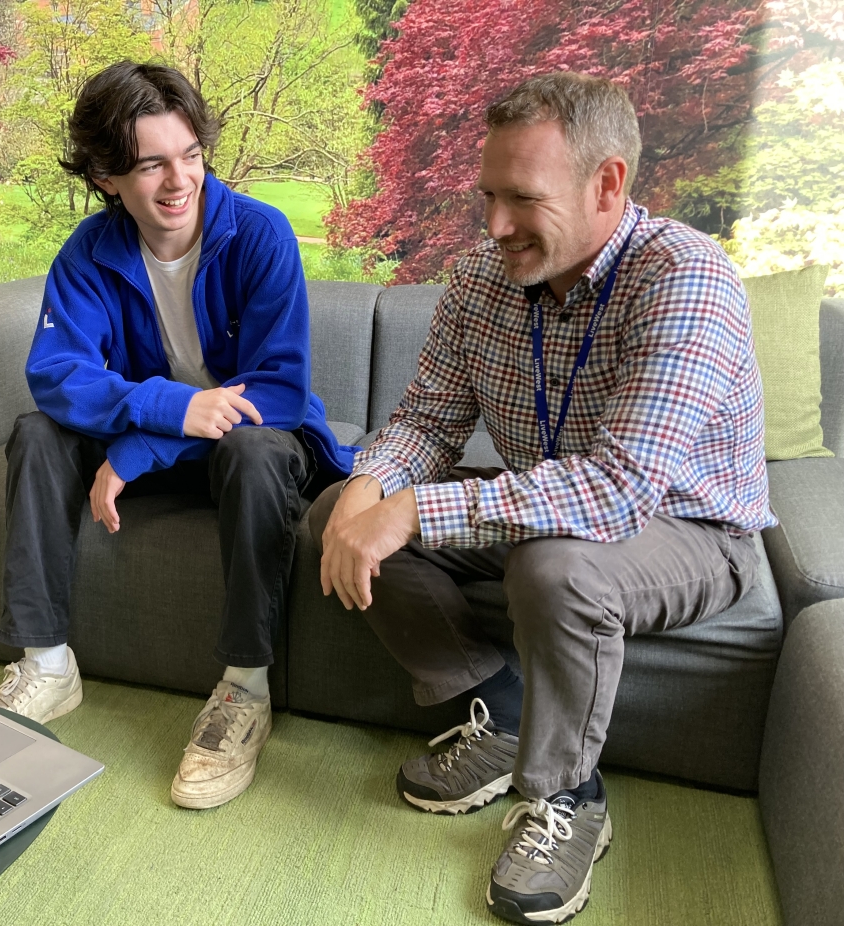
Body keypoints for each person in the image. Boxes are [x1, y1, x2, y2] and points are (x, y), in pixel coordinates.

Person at [312, 72, 775, 924]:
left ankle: (568, 798)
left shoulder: (686, 277)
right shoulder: (481, 282)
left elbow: (618, 489)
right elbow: (426, 420)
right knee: (332, 512)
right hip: (541, 506)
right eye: (487, 196)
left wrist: (413, 509)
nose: (494, 227)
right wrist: (371, 486)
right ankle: (496, 710)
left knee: (554, 567)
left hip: (687, 528)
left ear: (607, 184)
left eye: (521, 198)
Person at [0, 61, 357, 811]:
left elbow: (277, 391)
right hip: (163, 429)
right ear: (104, 175)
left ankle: (244, 690)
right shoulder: (87, 253)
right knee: (35, 434)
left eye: (188, 154)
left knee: (253, 450)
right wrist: (167, 408)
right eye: (150, 163)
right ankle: (46, 663)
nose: (177, 179)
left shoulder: (259, 234)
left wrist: (141, 445)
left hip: (248, 446)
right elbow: (56, 376)